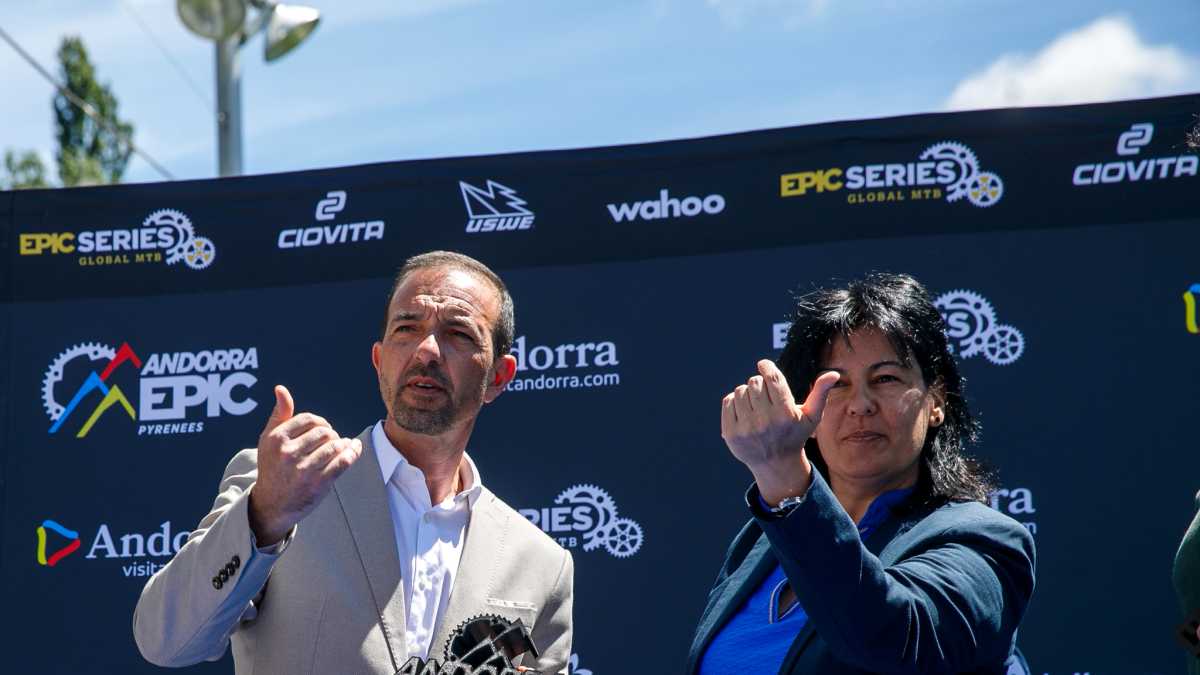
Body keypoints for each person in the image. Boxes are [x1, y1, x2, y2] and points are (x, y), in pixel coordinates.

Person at [134, 251, 573, 675]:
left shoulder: (541, 563)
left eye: (458, 333)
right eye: (406, 327)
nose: (427, 350)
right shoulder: (282, 487)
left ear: (498, 376)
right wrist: (265, 514)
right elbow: (166, 641)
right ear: (381, 361)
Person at [686, 273, 1035, 675]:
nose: (860, 405)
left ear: (936, 400)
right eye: (835, 385)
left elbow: (896, 641)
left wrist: (783, 472)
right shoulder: (763, 538)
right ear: (807, 411)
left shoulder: (985, 541)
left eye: (885, 379)